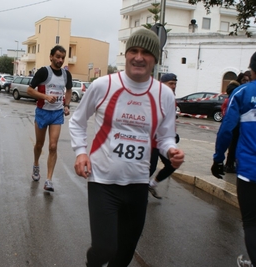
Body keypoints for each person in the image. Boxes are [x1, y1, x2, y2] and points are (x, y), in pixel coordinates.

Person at [69, 28, 185, 266]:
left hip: (138, 184)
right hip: (103, 182)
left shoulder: (164, 95)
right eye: (133, 51)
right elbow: (77, 121)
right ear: (126, 54)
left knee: (123, 256)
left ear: (155, 59)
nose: (138, 57)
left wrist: (171, 151)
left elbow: (164, 137)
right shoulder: (103, 85)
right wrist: (81, 152)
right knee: (104, 249)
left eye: (146, 52)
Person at [211, 47, 256, 267]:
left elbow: (226, 130)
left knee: (251, 223)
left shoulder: (242, 93)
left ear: (253, 69)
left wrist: (218, 158)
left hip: (251, 171)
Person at [27, 45, 73, 192]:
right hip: (42, 112)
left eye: (62, 58)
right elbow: (29, 90)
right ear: (51, 57)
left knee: (53, 146)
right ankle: (36, 164)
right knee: (39, 144)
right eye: (58, 57)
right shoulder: (43, 72)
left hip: (57, 114)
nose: (60, 60)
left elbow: (69, 90)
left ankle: (48, 180)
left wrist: (66, 105)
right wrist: (45, 96)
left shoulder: (66, 75)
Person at [148, 73, 180, 199]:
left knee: (172, 164)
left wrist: (173, 136)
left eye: (175, 84)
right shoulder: (155, 98)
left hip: (164, 142)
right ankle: (136, 195)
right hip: (151, 141)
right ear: (162, 83)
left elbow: (169, 122)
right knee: (150, 168)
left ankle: (152, 184)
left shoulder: (171, 98)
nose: (173, 86)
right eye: (170, 84)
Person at [221, 71, 251, 173]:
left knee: (236, 144)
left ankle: (232, 163)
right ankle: (229, 164)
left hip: (241, 123)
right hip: (236, 123)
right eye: (244, 80)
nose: (246, 83)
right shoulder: (237, 92)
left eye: (248, 81)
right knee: (233, 144)